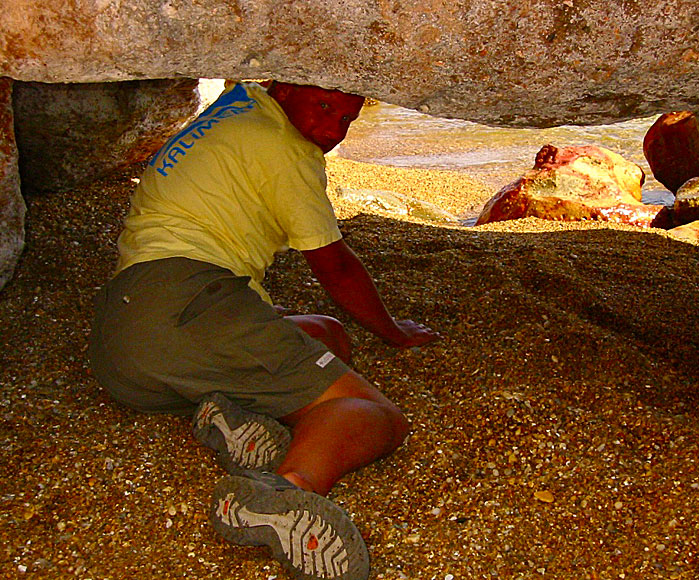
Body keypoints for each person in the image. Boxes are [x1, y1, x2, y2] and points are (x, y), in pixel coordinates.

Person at [89, 79, 439, 580]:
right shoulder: (287, 150)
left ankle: (230, 414)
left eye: (346, 119)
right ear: (284, 86)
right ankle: (282, 492)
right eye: (323, 107)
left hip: (123, 348)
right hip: (190, 302)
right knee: (374, 414)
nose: (330, 130)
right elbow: (335, 267)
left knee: (328, 335)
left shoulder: (238, 106)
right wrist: (394, 332)